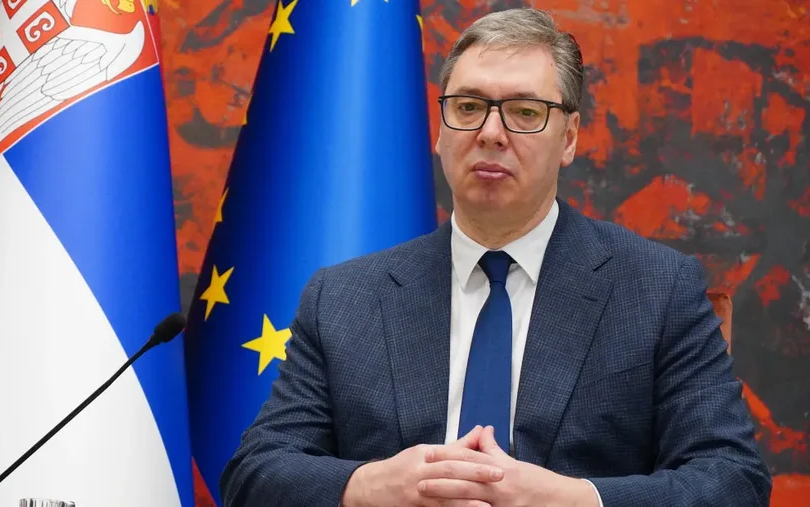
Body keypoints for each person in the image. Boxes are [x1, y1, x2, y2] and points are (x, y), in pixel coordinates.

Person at [219, 7, 772, 507]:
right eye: (468, 107)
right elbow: (255, 474)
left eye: (525, 112)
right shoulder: (344, 298)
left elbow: (733, 479)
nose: (490, 133)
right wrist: (368, 486)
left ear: (570, 137)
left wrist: (571, 500)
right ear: (440, 130)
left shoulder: (657, 289)